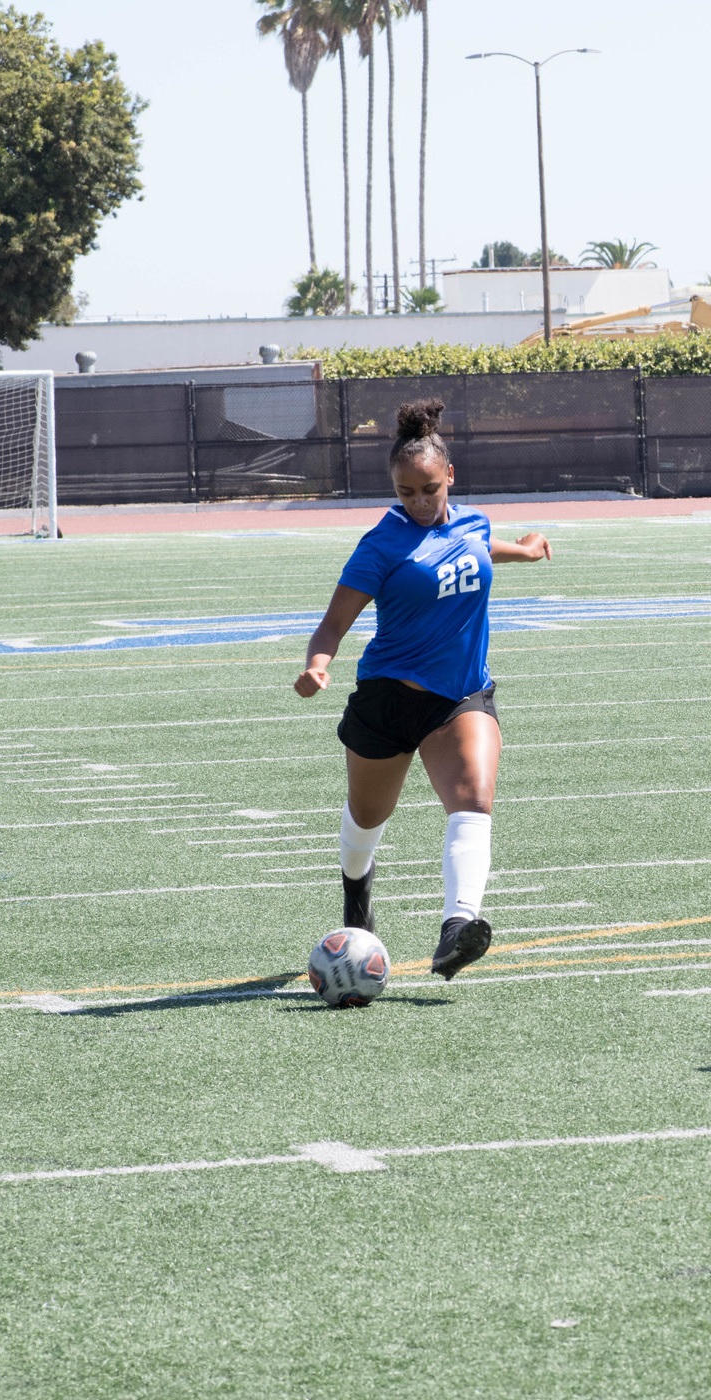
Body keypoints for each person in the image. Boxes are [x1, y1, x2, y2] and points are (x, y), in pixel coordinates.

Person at [295, 400, 555, 981]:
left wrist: (528, 548)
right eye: (405, 491)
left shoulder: (473, 522)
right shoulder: (380, 545)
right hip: (389, 699)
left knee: (473, 797)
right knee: (367, 818)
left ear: (450, 479)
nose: (416, 502)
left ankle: (457, 928)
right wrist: (317, 665)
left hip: (460, 698)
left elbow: (477, 550)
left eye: (428, 490)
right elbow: (334, 622)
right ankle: (356, 902)